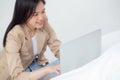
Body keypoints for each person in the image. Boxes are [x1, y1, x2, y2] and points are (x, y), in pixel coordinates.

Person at [0, 0, 61, 80]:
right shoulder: (15, 34)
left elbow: (56, 46)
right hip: (15, 76)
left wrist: (69, 57)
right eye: (35, 14)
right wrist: (46, 70)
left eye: (43, 11)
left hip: (36, 67)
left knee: (63, 65)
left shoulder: (42, 21)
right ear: (24, 15)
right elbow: (17, 76)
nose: (41, 17)